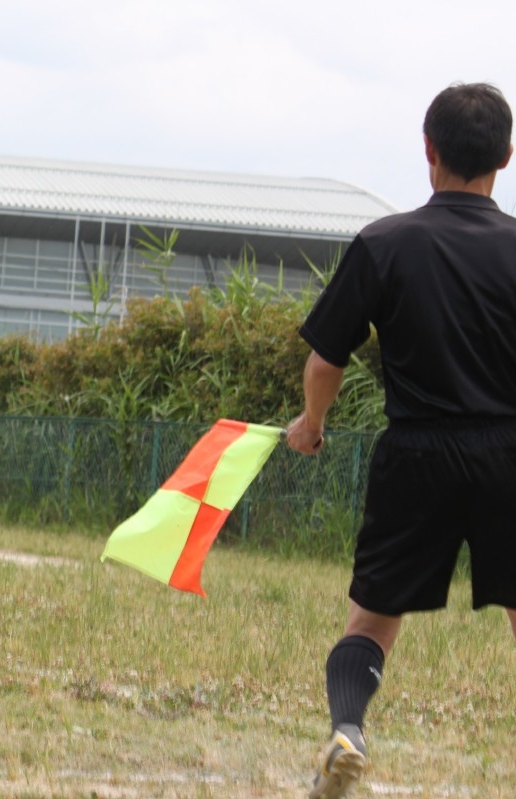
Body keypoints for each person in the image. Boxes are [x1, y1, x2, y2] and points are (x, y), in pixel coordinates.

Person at [287, 82, 516, 799]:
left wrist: (311, 425)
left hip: (416, 455)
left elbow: (325, 360)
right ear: (507, 156)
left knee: (372, 618)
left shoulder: (385, 243)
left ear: (428, 150)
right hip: (510, 454)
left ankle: (348, 730)